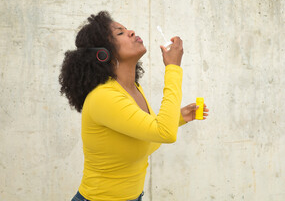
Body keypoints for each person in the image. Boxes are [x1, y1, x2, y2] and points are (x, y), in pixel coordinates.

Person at [58, 11, 209, 201]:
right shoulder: (104, 97)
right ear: (103, 53)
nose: (131, 32)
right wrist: (173, 68)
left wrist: (178, 118)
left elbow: (147, 140)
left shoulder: (133, 89)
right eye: (120, 33)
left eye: (126, 29)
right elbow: (164, 133)